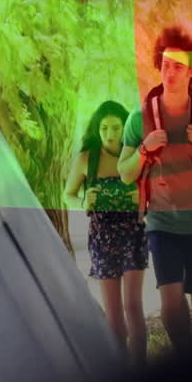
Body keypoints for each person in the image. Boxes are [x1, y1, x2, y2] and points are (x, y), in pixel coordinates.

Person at [118, 26, 192, 354]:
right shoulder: (141, 118)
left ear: (191, 70)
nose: (169, 72)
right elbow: (125, 173)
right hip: (162, 224)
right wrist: (144, 150)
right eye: (165, 64)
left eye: (177, 66)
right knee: (170, 305)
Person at [64, 101, 149, 366]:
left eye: (115, 127)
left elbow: (158, 188)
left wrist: (142, 197)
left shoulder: (135, 155)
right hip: (102, 240)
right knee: (113, 313)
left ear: (125, 128)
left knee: (133, 306)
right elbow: (67, 195)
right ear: (97, 130)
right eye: (103, 128)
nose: (110, 133)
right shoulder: (87, 159)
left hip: (134, 235)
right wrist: (82, 201)